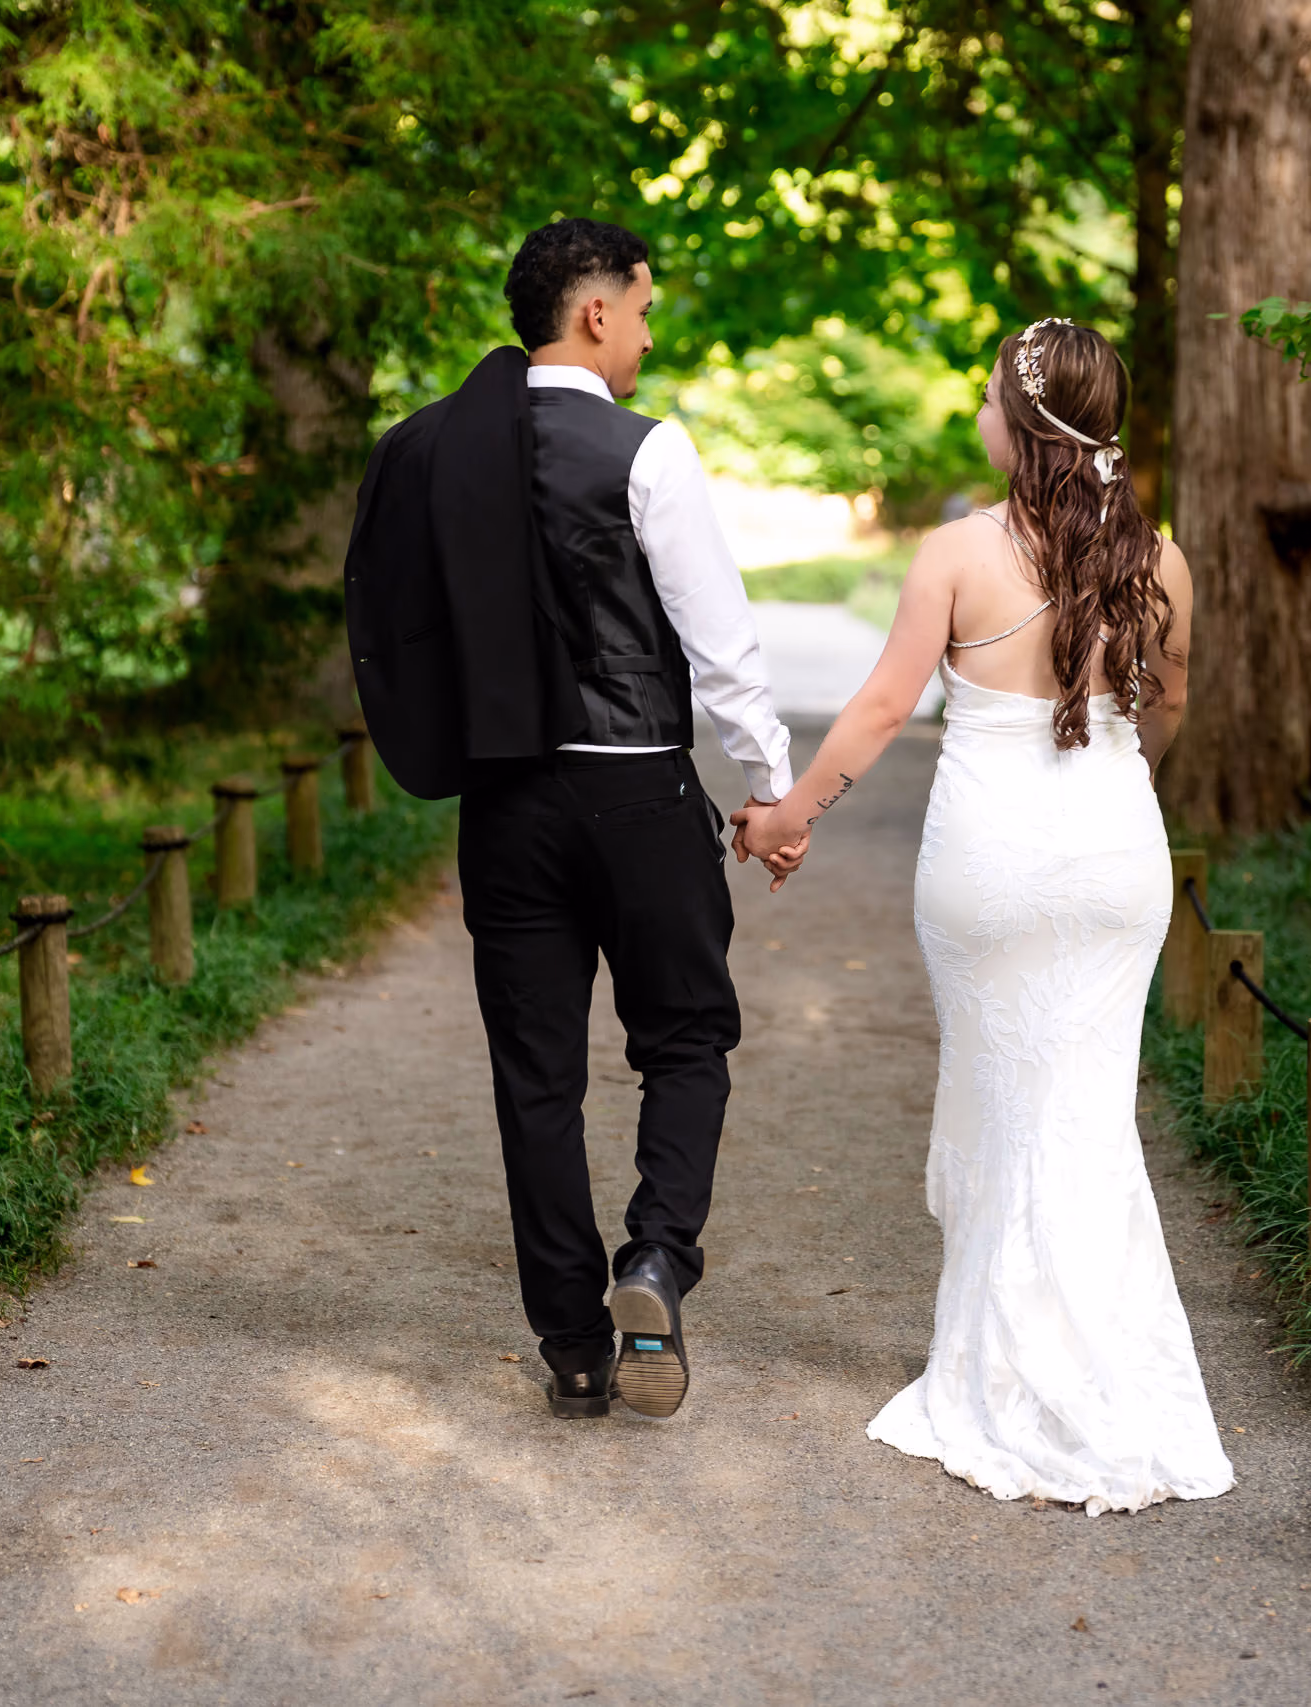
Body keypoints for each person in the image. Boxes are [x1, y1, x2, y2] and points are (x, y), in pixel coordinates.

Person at [731, 318, 1233, 1513]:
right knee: (1088, 1113)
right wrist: (1110, 781)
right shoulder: (1161, 560)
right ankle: (1098, 1377)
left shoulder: (956, 552)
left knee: (1008, 1103)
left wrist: (787, 816)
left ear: (1018, 419)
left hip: (992, 856)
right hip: (1115, 852)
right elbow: (1162, 716)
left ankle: (1009, 1379)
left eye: (984, 395)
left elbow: (878, 709)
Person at [343, 218, 800, 1422]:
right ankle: (655, 1260)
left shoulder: (430, 450)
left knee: (534, 1077)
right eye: (644, 311)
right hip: (637, 791)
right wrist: (770, 790)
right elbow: (721, 647)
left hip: (504, 803)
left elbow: (388, 616)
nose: (649, 335)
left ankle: (573, 1348)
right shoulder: (644, 452)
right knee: (687, 1039)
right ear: (595, 312)